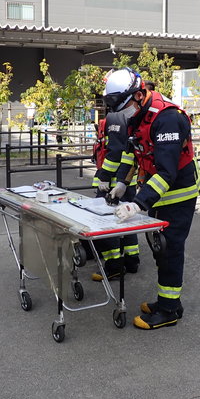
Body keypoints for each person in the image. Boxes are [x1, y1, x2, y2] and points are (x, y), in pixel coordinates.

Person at [104, 67, 200, 330]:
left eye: (124, 106)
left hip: (178, 191)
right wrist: (122, 183)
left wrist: (138, 203)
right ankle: (168, 302)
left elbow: (167, 173)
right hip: (156, 191)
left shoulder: (168, 118)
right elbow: (130, 152)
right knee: (160, 248)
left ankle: (168, 311)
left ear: (139, 94)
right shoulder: (137, 114)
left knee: (170, 249)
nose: (123, 113)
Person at [90, 106, 140, 281]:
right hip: (127, 181)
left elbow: (116, 151)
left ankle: (114, 267)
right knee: (128, 221)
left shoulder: (116, 116)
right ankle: (132, 260)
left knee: (105, 224)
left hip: (112, 184)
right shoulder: (134, 115)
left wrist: (103, 177)